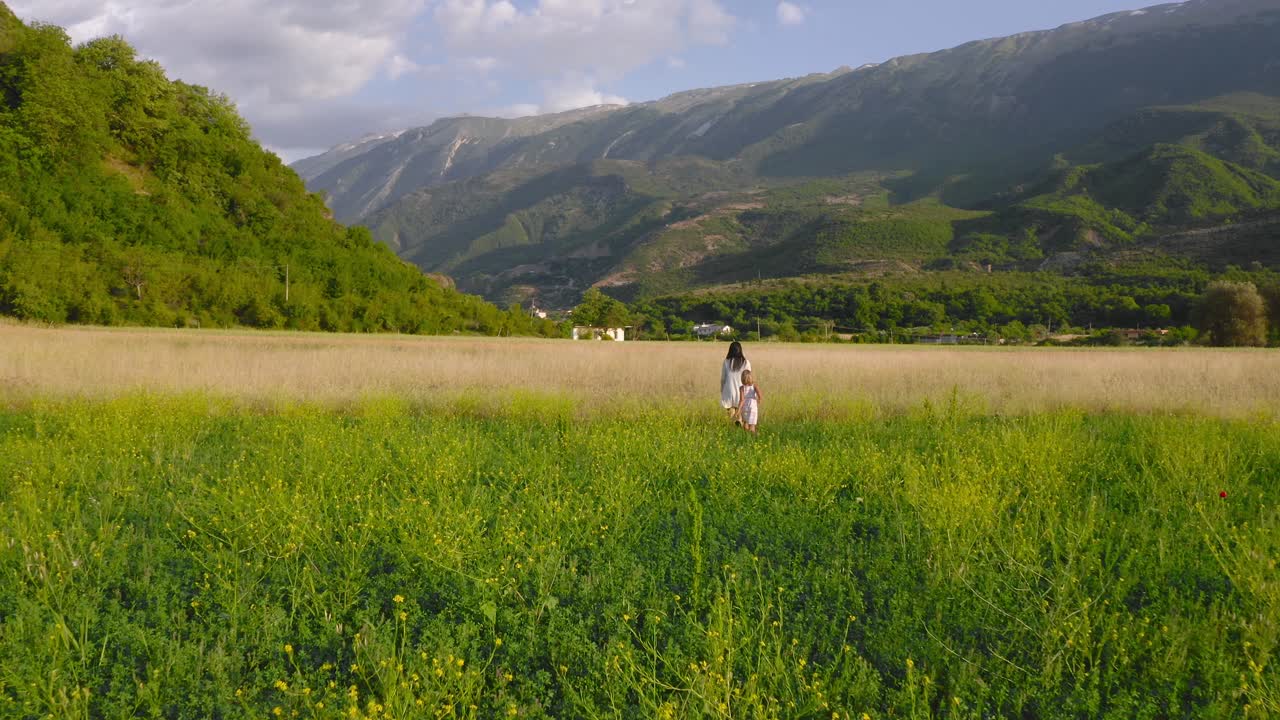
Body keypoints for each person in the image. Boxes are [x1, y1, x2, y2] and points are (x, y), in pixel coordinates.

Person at [720, 341, 751, 423]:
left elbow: (723, 378)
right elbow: (748, 378)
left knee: (730, 411)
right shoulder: (746, 362)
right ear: (740, 350)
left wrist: (722, 390)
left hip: (728, 390)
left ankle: (732, 423)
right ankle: (739, 421)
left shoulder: (726, 362)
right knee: (740, 409)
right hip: (742, 390)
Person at [737, 369, 762, 434]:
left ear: (742, 378)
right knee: (752, 425)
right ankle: (755, 436)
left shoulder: (742, 388)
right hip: (752, 407)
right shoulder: (754, 386)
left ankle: (747, 437)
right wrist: (759, 399)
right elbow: (760, 394)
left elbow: (742, 400)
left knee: (745, 423)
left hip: (745, 407)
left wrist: (738, 410)